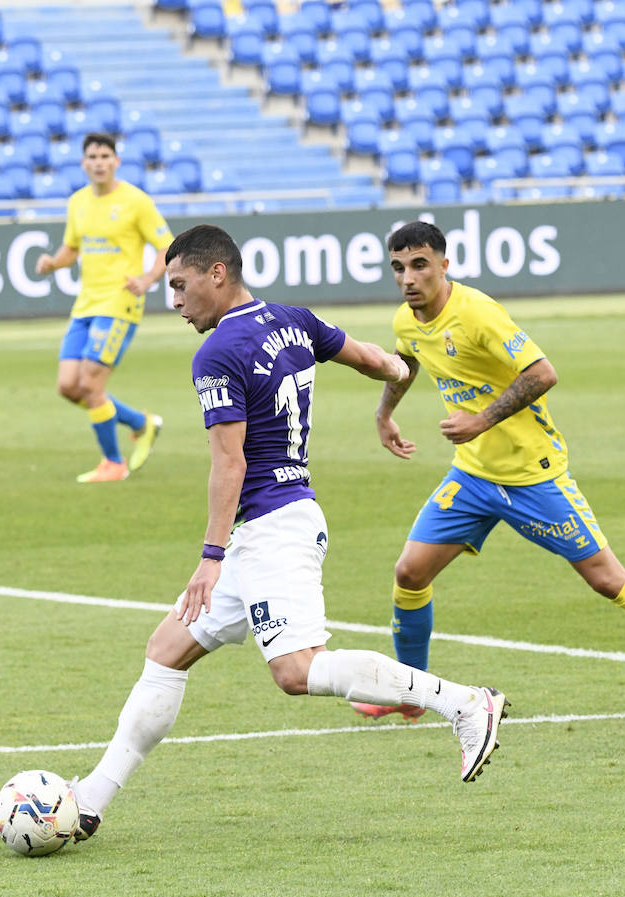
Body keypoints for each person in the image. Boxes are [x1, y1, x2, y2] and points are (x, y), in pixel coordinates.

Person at [70, 225, 508, 843]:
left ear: (215, 273)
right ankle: (90, 799)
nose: (173, 300)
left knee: (297, 670)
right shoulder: (293, 320)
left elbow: (231, 464)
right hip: (277, 520)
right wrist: (387, 410)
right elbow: (387, 363)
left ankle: (464, 703)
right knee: (166, 649)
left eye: (179, 284)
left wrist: (209, 557)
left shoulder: (216, 354)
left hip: (272, 529)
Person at [353, 220, 625, 727]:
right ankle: (411, 693)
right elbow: (406, 361)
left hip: (533, 477)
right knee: (409, 573)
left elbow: (542, 372)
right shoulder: (407, 320)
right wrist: (384, 414)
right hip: (472, 478)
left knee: (608, 579)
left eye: (420, 265)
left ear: (444, 266)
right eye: (399, 268)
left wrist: (481, 420)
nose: (408, 278)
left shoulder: (477, 314)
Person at [35, 133, 174, 483]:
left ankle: (113, 463)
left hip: (120, 303)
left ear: (116, 162)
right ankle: (142, 424)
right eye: (92, 156)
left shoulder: (135, 201)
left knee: (91, 384)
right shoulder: (78, 202)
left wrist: (147, 280)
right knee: (68, 386)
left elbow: (166, 246)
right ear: (83, 163)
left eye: (105, 156)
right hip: (86, 304)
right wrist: (53, 263)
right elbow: (72, 248)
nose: (98, 162)